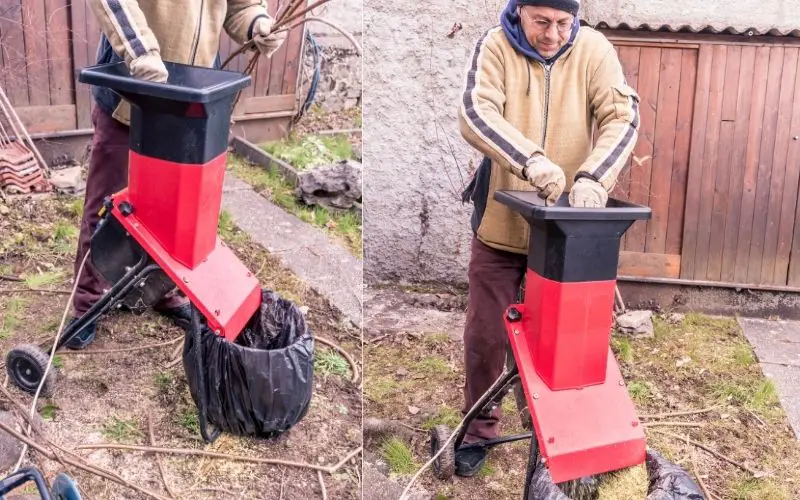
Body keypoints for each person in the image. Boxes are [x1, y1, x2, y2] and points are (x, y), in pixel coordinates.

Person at [456, 0, 640, 476]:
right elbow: (476, 112)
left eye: (563, 23)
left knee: (563, 341)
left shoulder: (595, 48)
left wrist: (594, 179)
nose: (554, 34)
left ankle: (560, 429)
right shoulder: (495, 46)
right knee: (485, 335)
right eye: (541, 21)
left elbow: (623, 117)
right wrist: (531, 161)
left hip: (567, 239)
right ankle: (479, 429)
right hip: (501, 226)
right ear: (519, 12)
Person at [66, 0, 288, 349]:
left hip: (193, 97)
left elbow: (240, 5)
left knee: (176, 208)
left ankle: (164, 290)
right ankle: (86, 302)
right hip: (133, 85)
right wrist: (139, 50)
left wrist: (256, 22)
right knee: (107, 204)